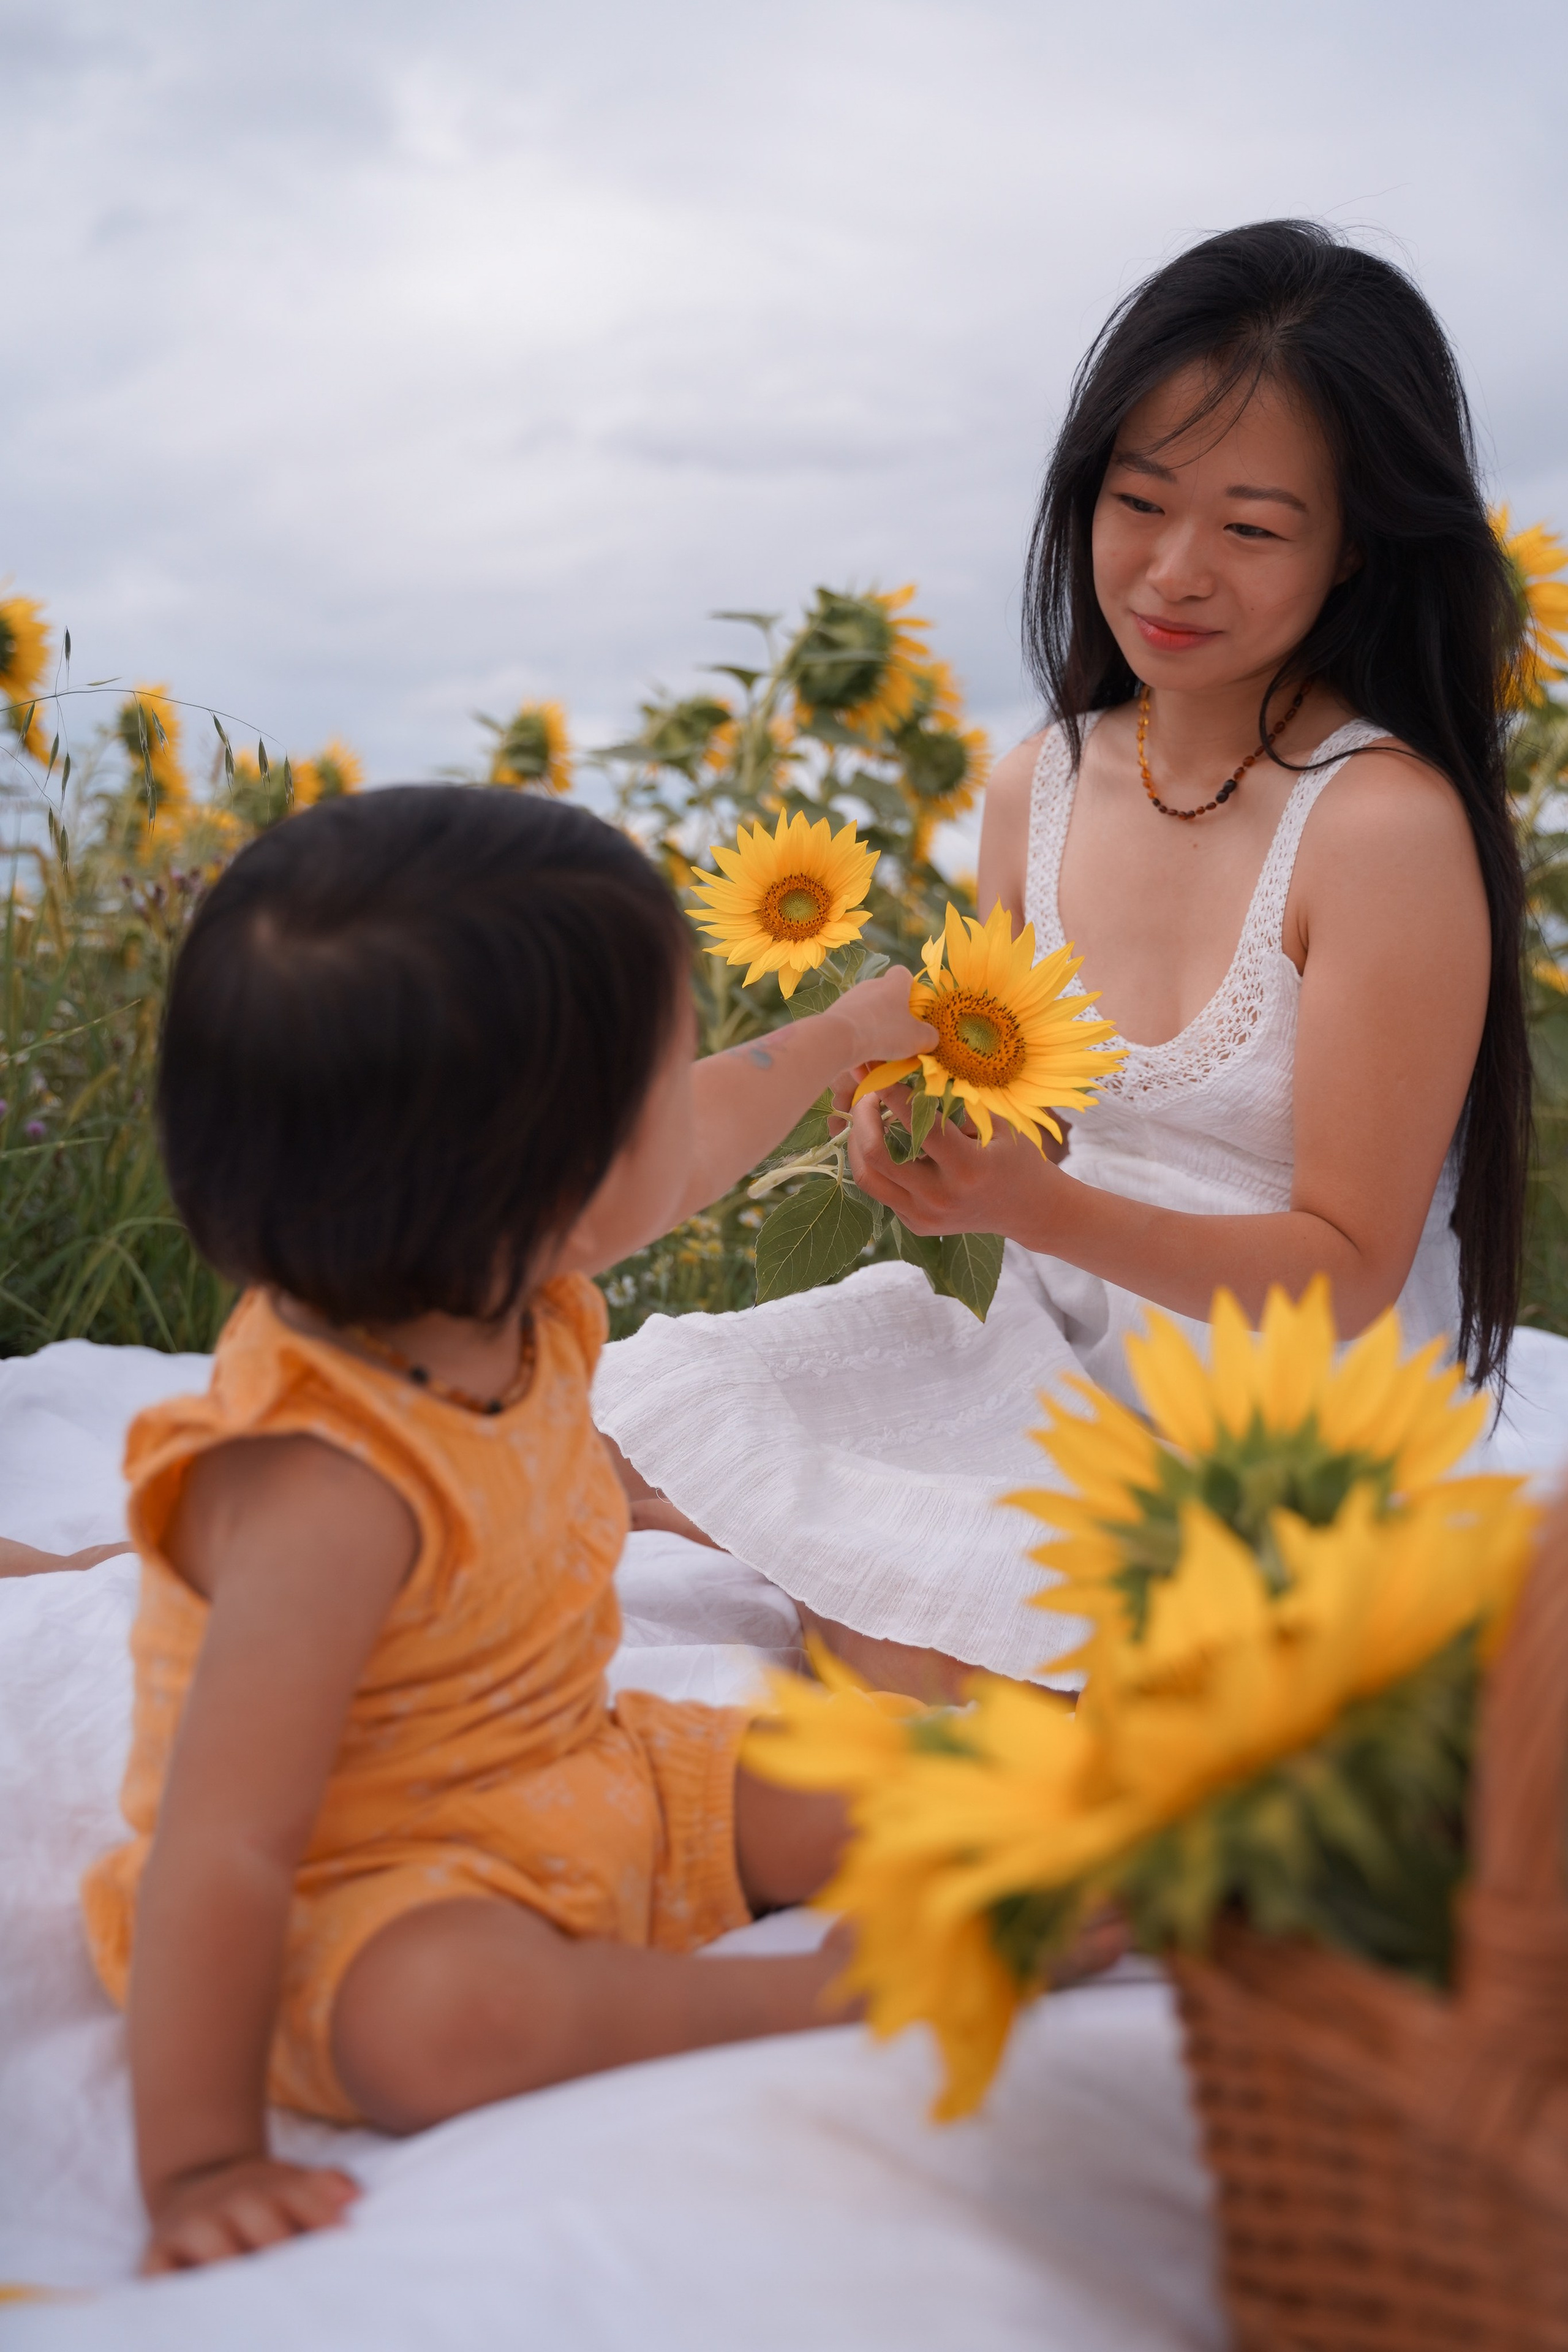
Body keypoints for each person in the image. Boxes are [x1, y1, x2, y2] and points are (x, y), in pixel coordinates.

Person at [594, 219, 1529, 1696]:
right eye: (1137, 499)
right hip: (1038, 1330)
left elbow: (1347, 1279)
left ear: (1355, 545)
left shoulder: (1381, 832)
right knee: (638, 1409)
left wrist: (1041, 1203)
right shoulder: (1038, 782)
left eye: (1251, 527)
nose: (1170, 569)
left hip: (1272, 1414)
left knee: (886, 1650)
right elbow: (1013, 1103)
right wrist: (916, 1132)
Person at [80, 784, 934, 2272]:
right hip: (374, 1895)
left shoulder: (509, 1272)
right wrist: (203, 2161)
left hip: (584, 1777)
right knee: (454, 2022)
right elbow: (222, 1849)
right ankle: (823, 1994)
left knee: (875, 1772)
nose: (694, 1110)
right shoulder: (324, 1485)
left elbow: (720, 1121)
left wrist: (848, 1036)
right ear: (538, 1176)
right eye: (655, 1089)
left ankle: (1089, 1851)